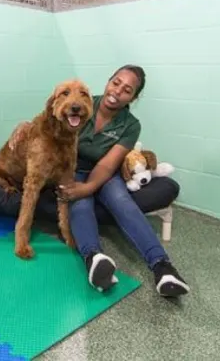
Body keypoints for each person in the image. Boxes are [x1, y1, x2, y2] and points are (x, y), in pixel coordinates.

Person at [10, 65, 190, 298]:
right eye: (115, 83)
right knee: (81, 205)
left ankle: (163, 267)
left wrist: (87, 188)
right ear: (108, 82)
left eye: (127, 90)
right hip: (71, 168)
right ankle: (94, 258)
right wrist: (24, 126)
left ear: (133, 98)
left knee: (122, 203)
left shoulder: (130, 125)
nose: (117, 91)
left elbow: (107, 165)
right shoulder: (81, 101)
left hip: (106, 173)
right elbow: (47, 121)